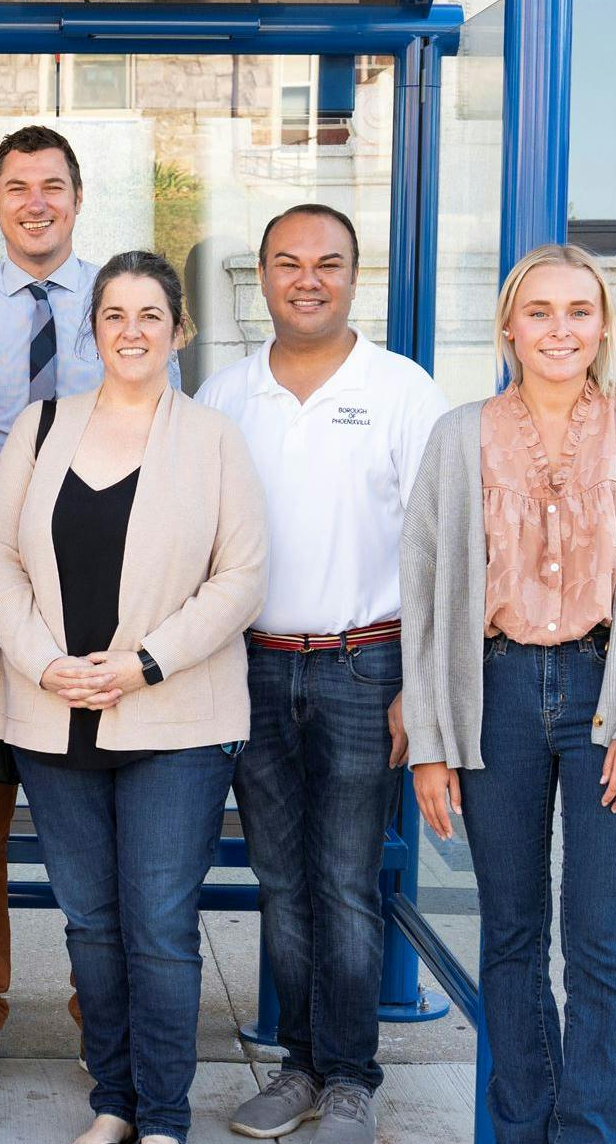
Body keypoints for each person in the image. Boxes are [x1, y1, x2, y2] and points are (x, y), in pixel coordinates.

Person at [401, 243, 616, 1144]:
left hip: (606, 692)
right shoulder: (460, 435)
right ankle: (522, 1127)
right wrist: (431, 740)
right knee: (510, 932)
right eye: (539, 312)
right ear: (509, 327)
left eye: (579, 311)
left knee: (600, 937)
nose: (559, 329)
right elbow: (423, 593)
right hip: (494, 694)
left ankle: (591, 1131)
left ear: (604, 325)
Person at [0, 251, 267, 1144]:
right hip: (54, 711)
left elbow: (242, 576)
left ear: (178, 331)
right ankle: (114, 1102)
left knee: (160, 926)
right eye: (114, 314)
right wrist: (41, 663)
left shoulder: (213, 438)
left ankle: (166, 1116)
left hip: (175, 719)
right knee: (92, 925)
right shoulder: (40, 428)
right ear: (93, 328)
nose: (132, 331)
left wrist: (146, 662)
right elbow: (0, 557)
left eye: (151, 315)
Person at [0, 124, 157, 1094]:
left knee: (93, 834)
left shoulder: (124, 309)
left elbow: (166, 450)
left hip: (96, 613)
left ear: (78, 197)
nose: (36, 202)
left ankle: (101, 1009)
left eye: (52, 185)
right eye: (17, 186)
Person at [196, 206, 448, 1144]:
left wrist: (418, 685)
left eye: (328, 264)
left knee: (343, 880)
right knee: (279, 878)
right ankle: (298, 1067)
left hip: (363, 667)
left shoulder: (402, 391)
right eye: (289, 262)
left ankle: (349, 1079)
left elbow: (438, 551)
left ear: (354, 276)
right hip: (252, 668)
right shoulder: (224, 395)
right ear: (262, 274)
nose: (308, 280)